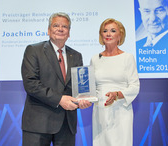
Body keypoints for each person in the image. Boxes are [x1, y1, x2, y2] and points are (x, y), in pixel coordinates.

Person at [21, 12, 91, 146]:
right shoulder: (34, 50)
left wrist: (82, 100)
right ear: (48, 30)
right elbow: (31, 83)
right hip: (39, 124)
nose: (60, 29)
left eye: (65, 26)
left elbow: (77, 87)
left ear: (69, 33)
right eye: (56, 25)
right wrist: (59, 99)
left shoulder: (76, 55)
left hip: (66, 124)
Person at [90, 18, 140, 146]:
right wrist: (85, 97)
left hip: (121, 110)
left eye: (113, 31)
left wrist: (116, 94)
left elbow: (135, 87)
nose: (108, 34)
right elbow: (90, 87)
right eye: (105, 31)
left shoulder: (127, 58)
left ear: (120, 35)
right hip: (100, 110)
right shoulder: (95, 59)